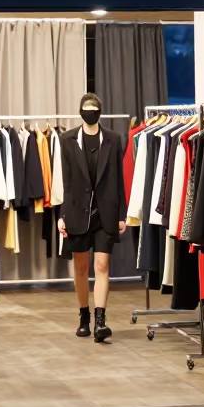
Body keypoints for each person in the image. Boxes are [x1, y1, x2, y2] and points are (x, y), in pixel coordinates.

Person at [58, 93, 127, 342]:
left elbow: (119, 180)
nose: (90, 112)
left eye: (94, 108)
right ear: (80, 111)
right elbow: (64, 182)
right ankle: (84, 316)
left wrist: (122, 214)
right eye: (86, 108)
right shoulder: (67, 140)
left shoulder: (113, 139)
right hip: (77, 212)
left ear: (99, 111)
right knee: (80, 267)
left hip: (105, 213)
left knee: (101, 266)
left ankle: (100, 321)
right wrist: (62, 215)